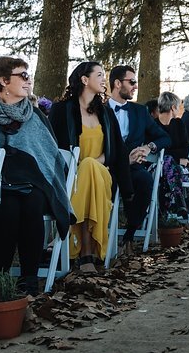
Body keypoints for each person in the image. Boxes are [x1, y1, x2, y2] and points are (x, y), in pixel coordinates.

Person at [0, 56, 70, 293]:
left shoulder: (35, 115)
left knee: (33, 202)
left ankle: (29, 280)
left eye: (28, 75)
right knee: (7, 205)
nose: (28, 80)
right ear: (3, 80)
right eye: (22, 75)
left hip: (34, 182)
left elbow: (48, 152)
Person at [49, 62, 134, 273]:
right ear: (84, 80)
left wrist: (126, 187)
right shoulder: (61, 110)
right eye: (99, 75)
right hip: (70, 177)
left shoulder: (105, 112)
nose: (104, 79)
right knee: (85, 169)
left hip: (102, 174)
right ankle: (87, 252)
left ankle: (74, 244)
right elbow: (51, 148)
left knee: (89, 167)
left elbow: (116, 150)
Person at [105, 65, 171, 255]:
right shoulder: (99, 110)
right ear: (117, 84)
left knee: (146, 181)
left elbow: (165, 138)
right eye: (131, 82)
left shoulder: (140, 112)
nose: (135, 87)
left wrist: (148, 147)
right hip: (107, 166)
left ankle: (129, 235)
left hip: (133, 169)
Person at [155, 91, 189, 217]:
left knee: (168, 161)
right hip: (156, 169)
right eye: (177, 106)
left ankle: (163, 215)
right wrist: (176, 158)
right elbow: (155, 151)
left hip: (174, 171)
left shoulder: (179, 124)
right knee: (168, 159)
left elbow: (185, 150)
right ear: (172, 107)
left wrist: (167, 155)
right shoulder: (153, 125)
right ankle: (179, 202)